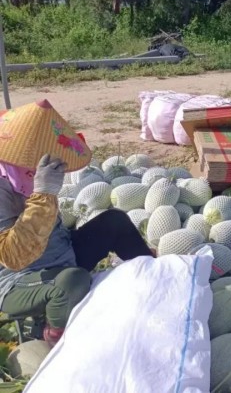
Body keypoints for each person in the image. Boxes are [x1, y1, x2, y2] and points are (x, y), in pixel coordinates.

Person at [0, 99, 153, 347]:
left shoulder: (27, 178)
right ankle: (53, 335)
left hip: (63, 255)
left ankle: (155, 280)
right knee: (72, 280)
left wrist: (44, 193)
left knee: (114, 221)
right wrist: (43, 194)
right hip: (17, 280)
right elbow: (13, 257)